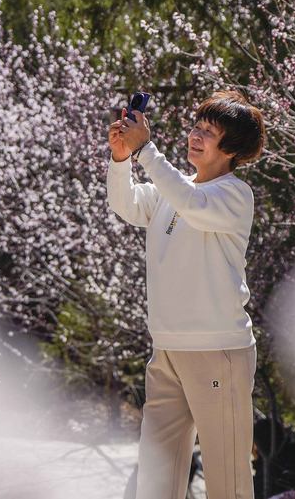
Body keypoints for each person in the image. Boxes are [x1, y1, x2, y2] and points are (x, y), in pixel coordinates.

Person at [107, 90, 266, 499]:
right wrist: (122, 158)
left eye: (208, 131)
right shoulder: (172, 188)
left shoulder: (234, 194)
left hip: (218, 352)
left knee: (227, 482)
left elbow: (192, 202)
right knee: (156, 482)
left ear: (231, 148)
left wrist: (146, 150)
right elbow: (125, 204)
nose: (195, 135)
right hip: (167, 350)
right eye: (196, 126)